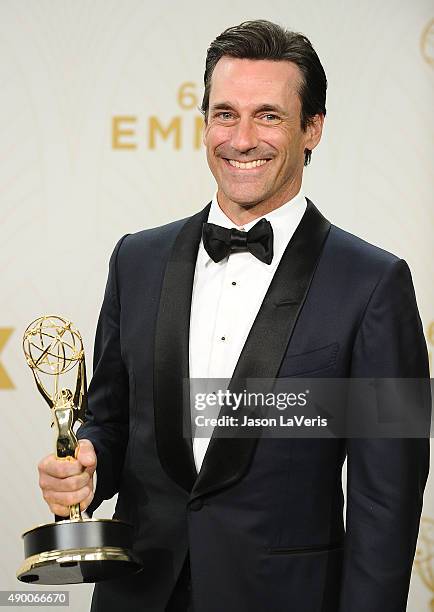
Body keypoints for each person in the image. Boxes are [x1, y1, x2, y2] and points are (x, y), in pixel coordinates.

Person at [37, 20, 430, 612]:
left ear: (312, 129)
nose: (241, 138)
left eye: (268, 115)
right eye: (225, 114)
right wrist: (86, 465)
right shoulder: (136, 260)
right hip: (139, 594)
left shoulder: (375, 284)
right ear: (204, 125)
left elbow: (388, 500)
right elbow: (111, 422)